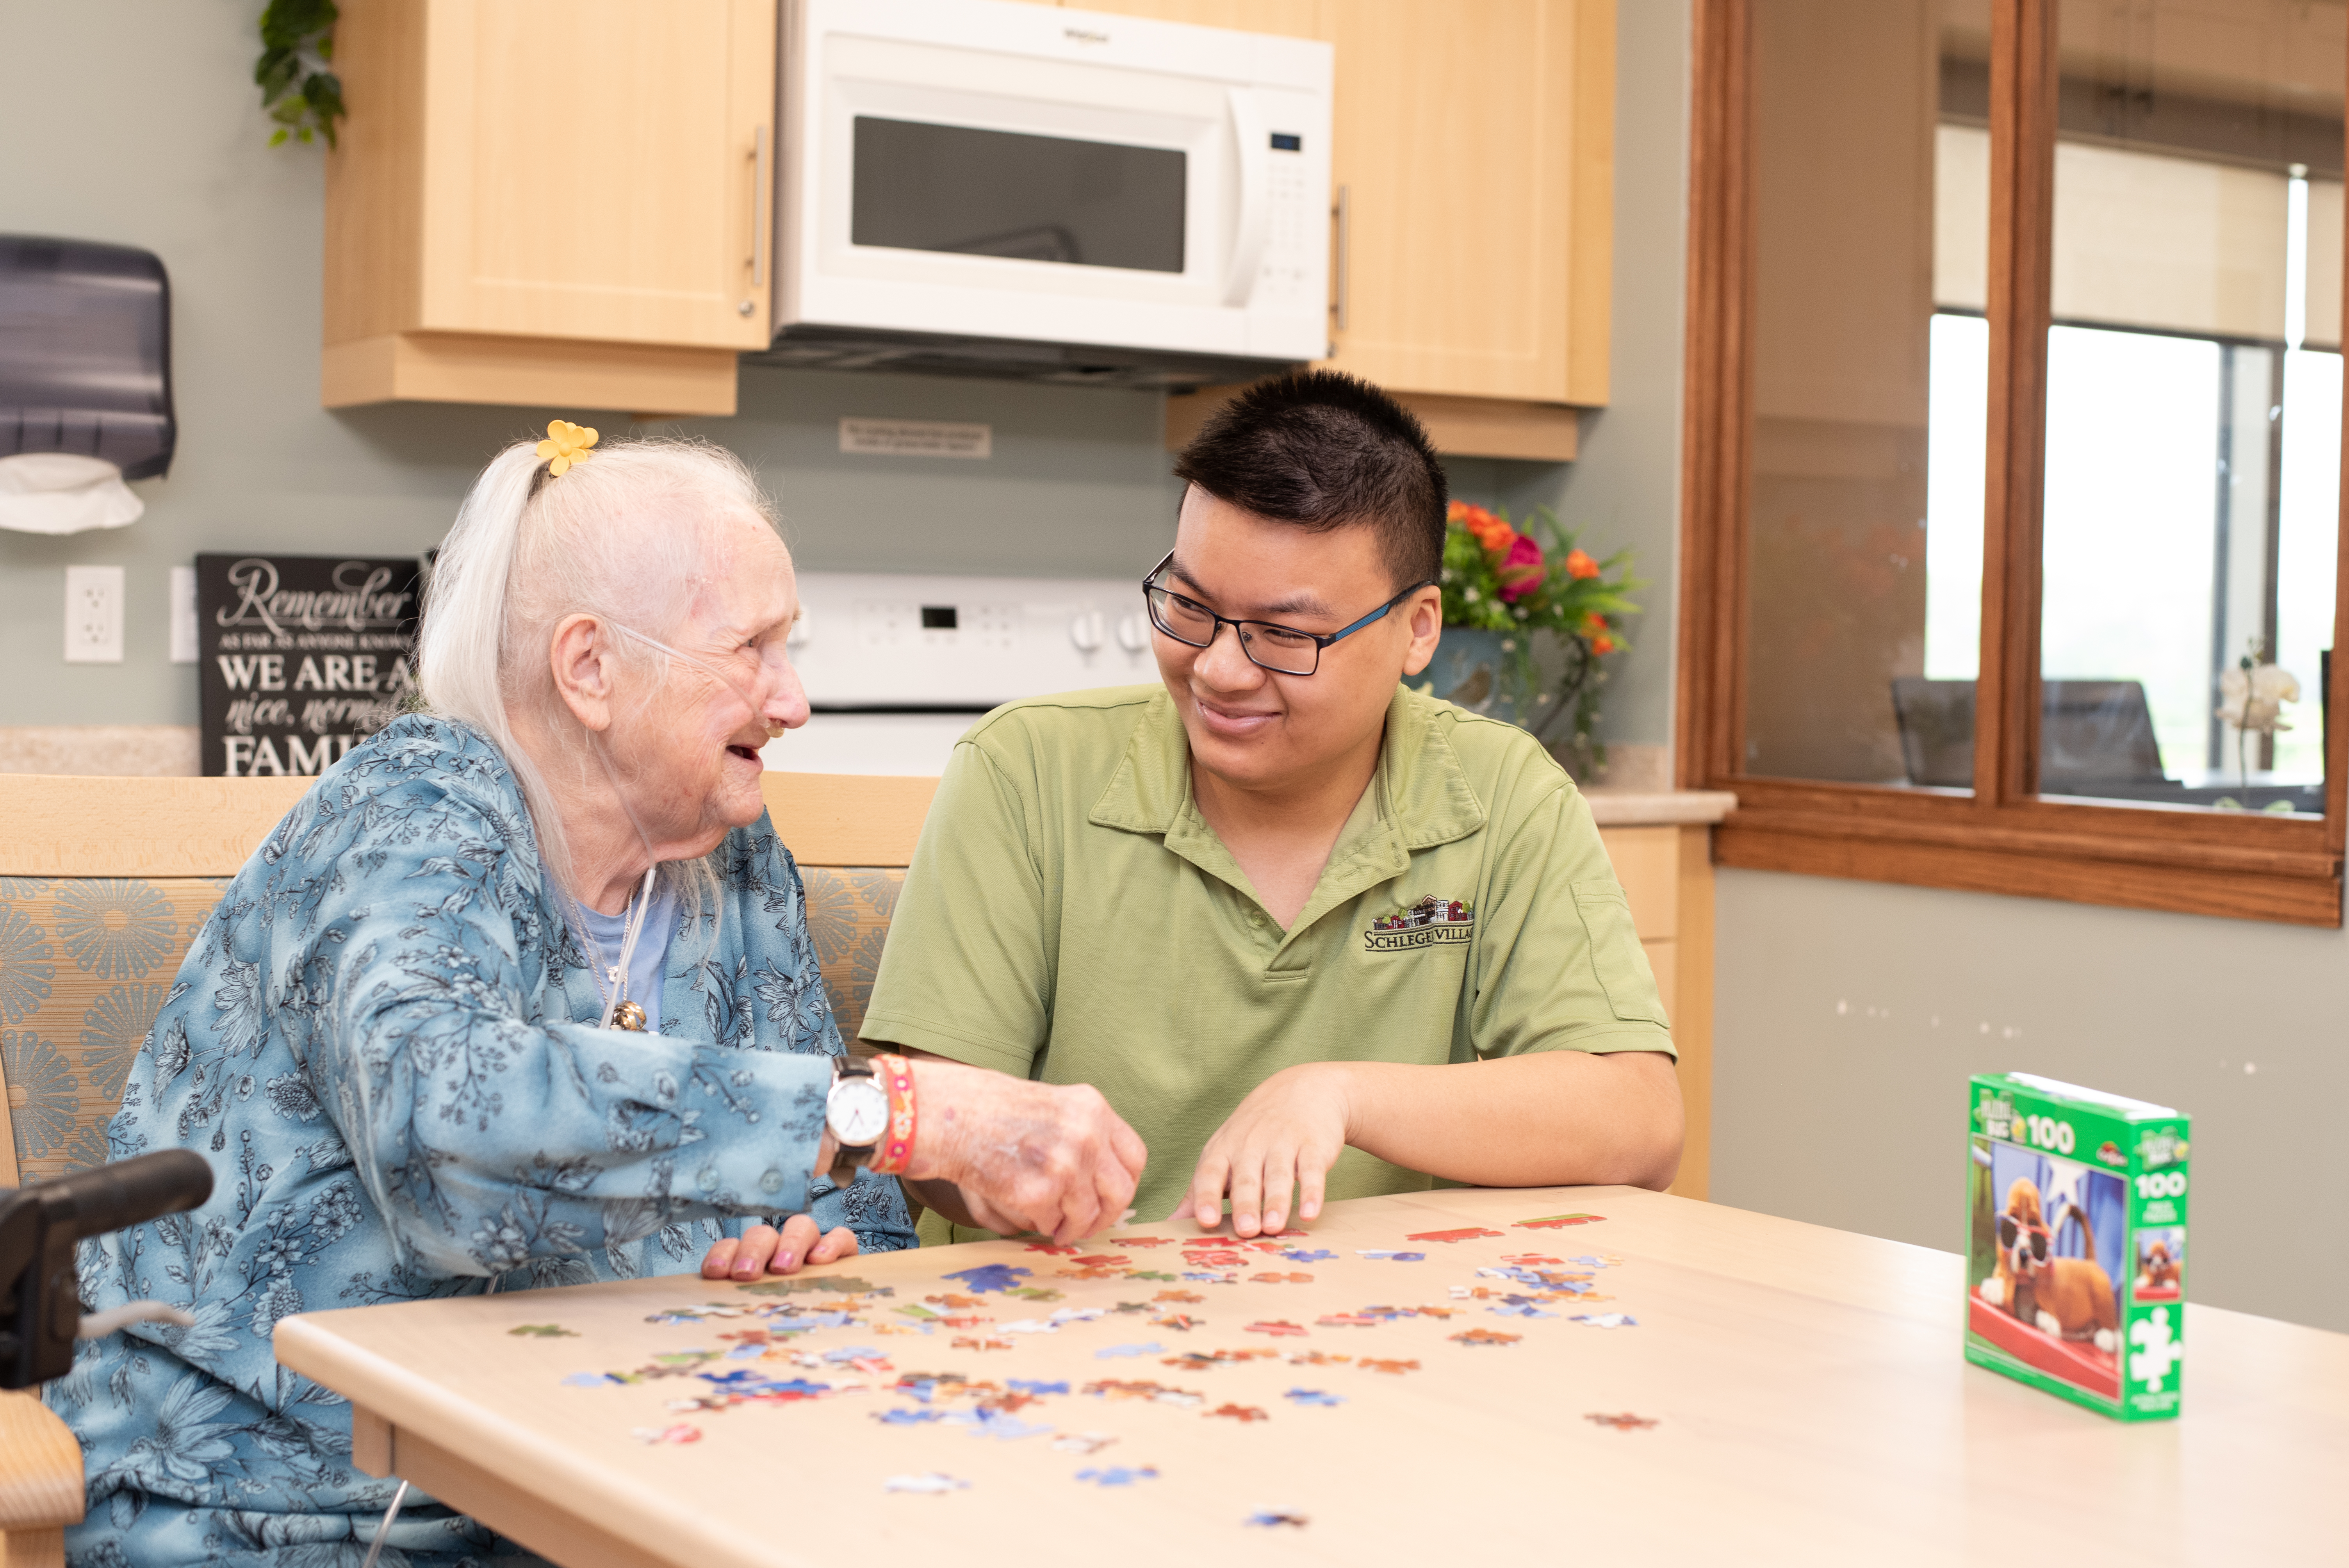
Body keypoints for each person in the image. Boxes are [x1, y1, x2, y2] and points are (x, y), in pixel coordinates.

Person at [55, 431, 1143, 1568]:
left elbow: (857, 1214)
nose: (794, 698)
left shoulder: (729, 857)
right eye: (752, 648)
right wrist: (906, 1114)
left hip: (624, 1481)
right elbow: (449, 1145)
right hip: (286, 1511)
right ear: (590, 669)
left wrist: (803, 1258)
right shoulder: (412, 811)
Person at [714, 371, 1683, 1263]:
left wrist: (1339, 1094)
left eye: (1283, 635)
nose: (1218, 669)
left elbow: (1640, 1121)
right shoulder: (1026, 771)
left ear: (1416, 629)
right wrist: (1016, 1174)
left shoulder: (1501, 791)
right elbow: (935, 1145)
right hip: (1065, 1317)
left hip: (1380, 1322)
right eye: (1188, 605)